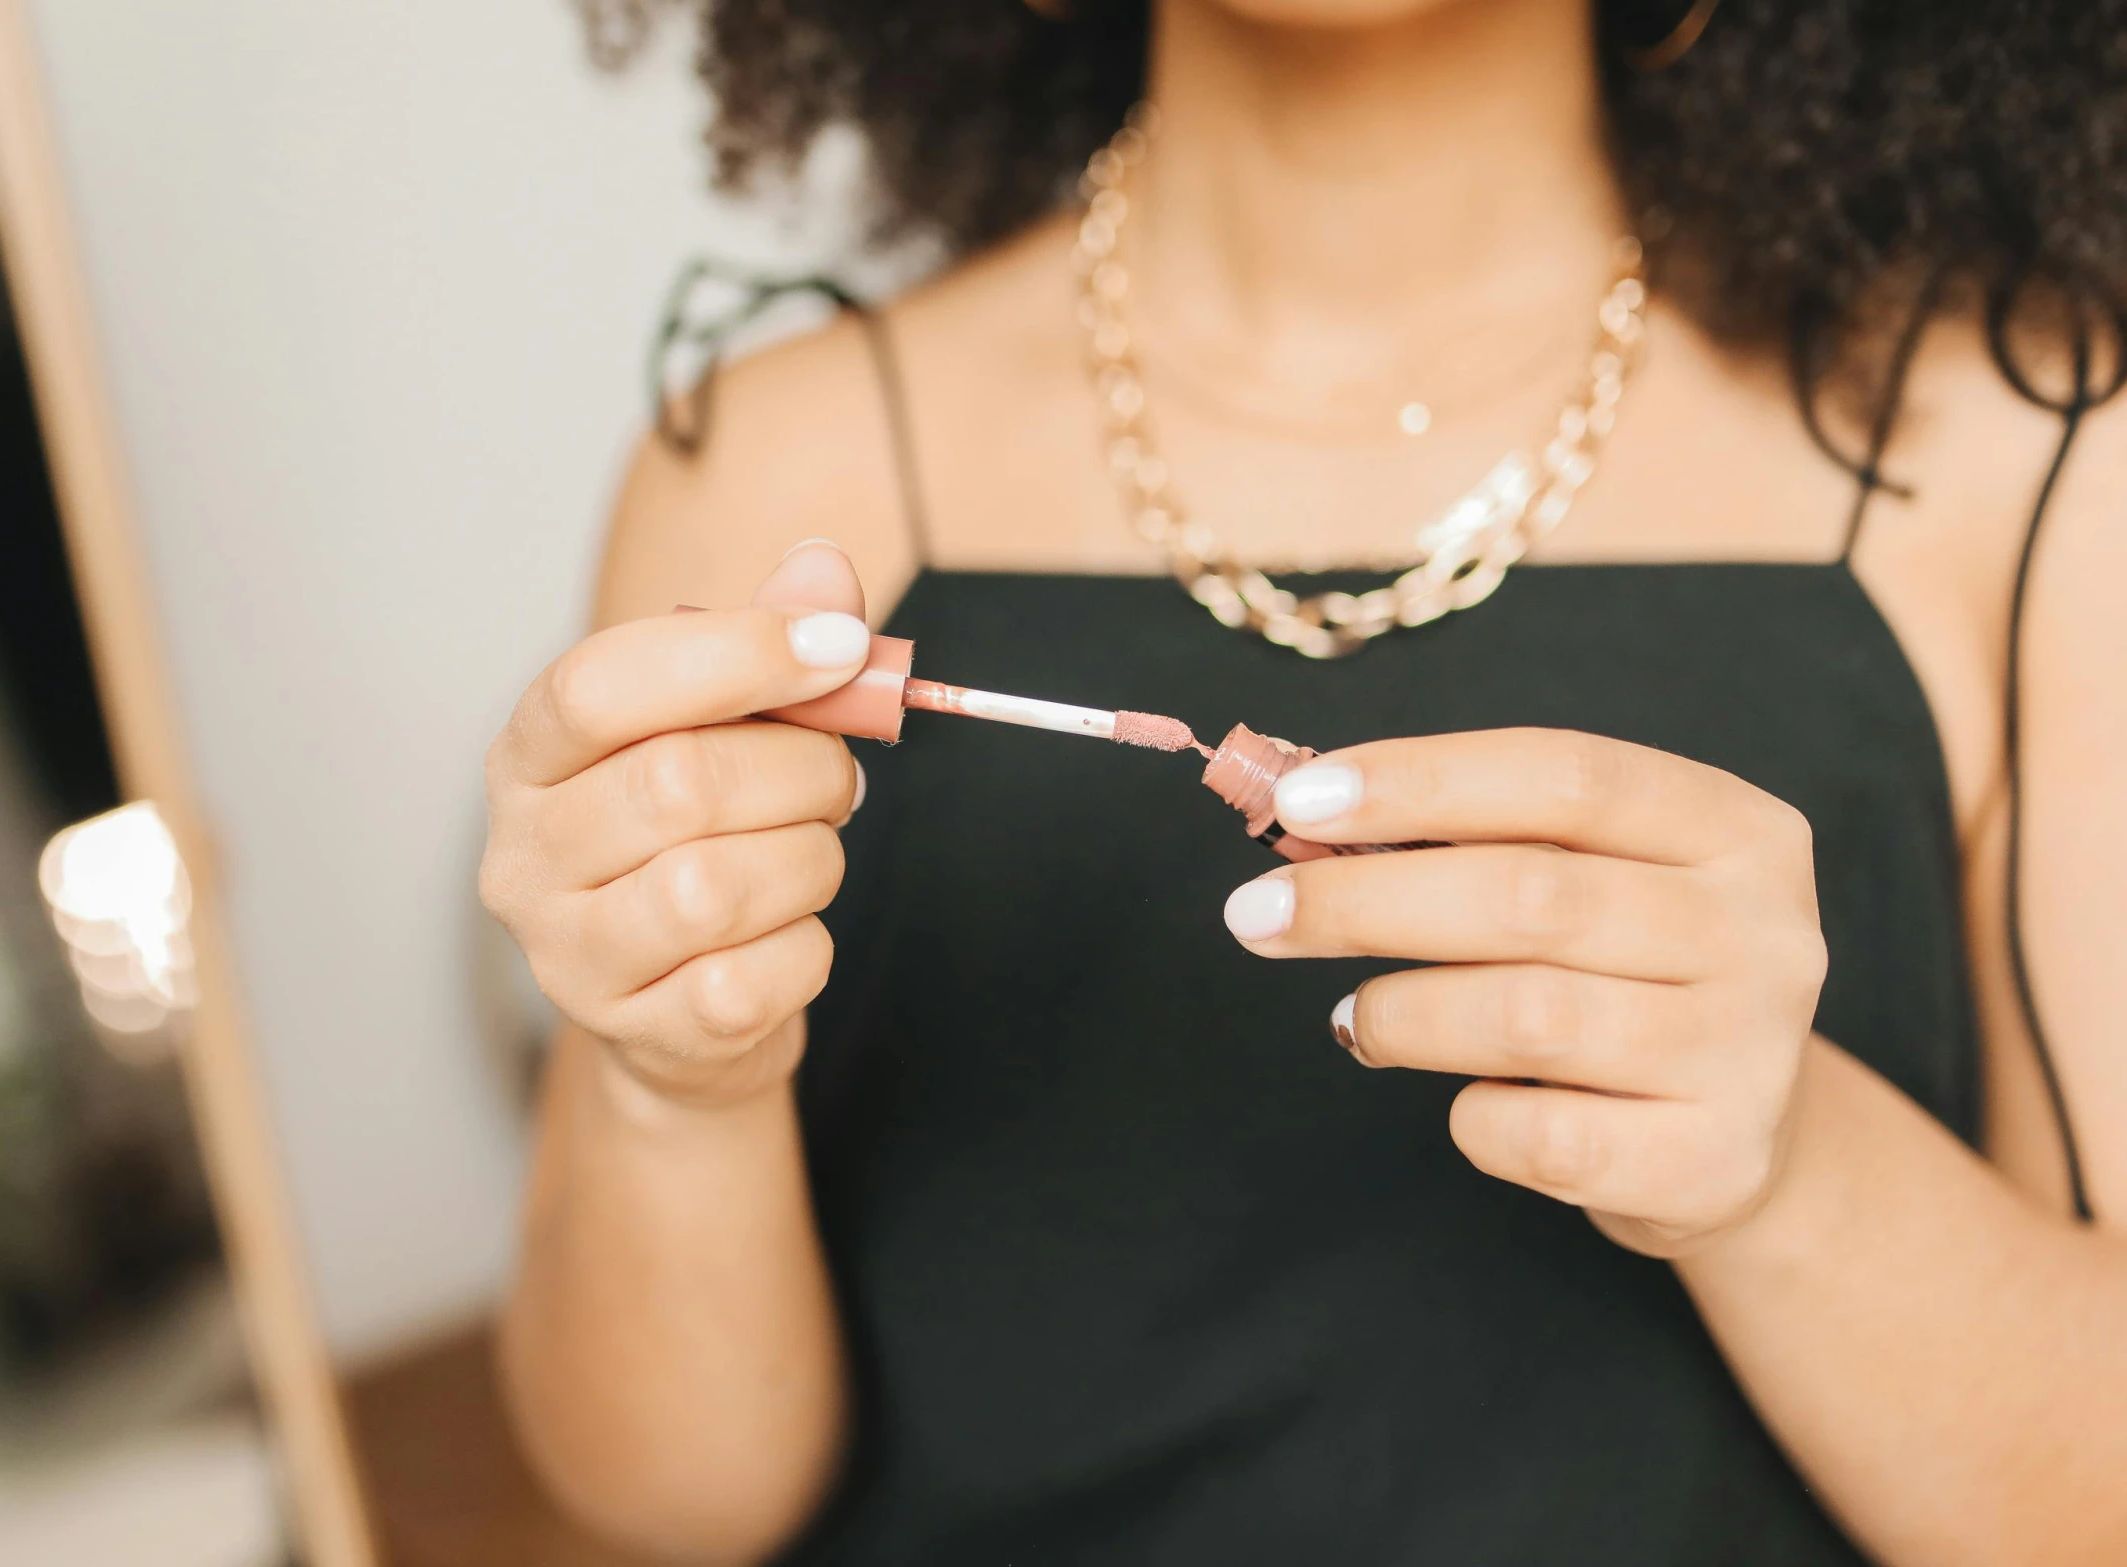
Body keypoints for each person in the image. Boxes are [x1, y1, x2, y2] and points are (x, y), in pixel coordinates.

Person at [477, 1, 2127, 1561]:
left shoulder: (2027, 450)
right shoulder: (767, 472)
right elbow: (667, 1507)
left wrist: (1784, 1166)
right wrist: (669, 1088)